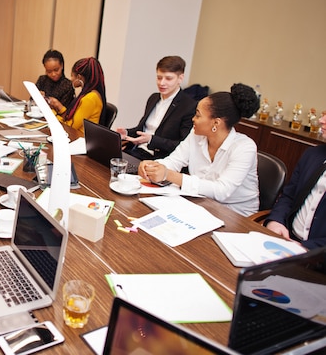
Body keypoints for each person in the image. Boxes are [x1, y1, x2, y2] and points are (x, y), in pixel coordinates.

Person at [138, 83, 260, 216]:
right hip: (201, 202)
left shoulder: (245, 147)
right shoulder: (196, 135)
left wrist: (168, 174)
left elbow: (221, 191)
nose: (193, 119)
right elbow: (175, 160)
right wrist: (153, 166)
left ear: (216, 123)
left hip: (236, 214)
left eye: (198, 115)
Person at [115, 56, 197, 160]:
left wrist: (151, 140)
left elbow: (183, 146)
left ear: (180, 78)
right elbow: (142, 129)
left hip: (158, 158)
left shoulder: (189, 106)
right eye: (159, 77)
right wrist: (126, 132)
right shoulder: (154, 98)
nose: (162, 83)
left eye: (168, 78)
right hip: (136, 151)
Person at [264, 113, 326, 249]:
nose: (321, 121)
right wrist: (275, 221)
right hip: (286, 241)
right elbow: (289, 196)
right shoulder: (313, 154)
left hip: (317, 256)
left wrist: (306, 248)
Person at [46, 57, 106, 133]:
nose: (71, 79)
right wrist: (59, 106)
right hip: (75, 135)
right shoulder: (91, 94)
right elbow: (73, 118)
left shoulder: (90, 98)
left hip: (79, 139)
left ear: (79, 77)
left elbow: (69, 126)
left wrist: (50, 112)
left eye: (72, 76)